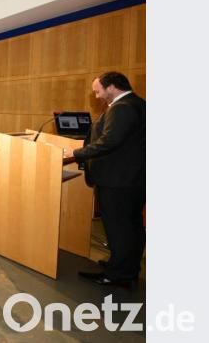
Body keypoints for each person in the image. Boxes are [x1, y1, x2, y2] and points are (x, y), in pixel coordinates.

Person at [63, 71, 146, 287]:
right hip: (131, 179)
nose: (97, 96)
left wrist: (75, 153)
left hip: (118, 181)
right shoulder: (137, 103)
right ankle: (124, 266)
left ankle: (118, 274)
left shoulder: (123, 108)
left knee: (119, 228)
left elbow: (109, 141)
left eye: (98, 91)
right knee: (131, 227)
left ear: (112, 87)